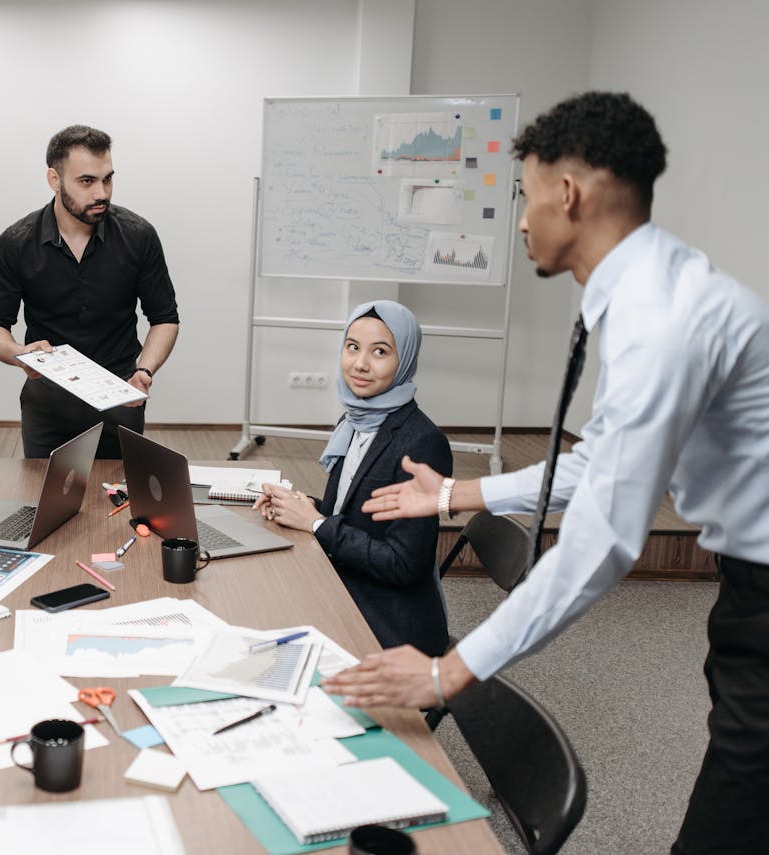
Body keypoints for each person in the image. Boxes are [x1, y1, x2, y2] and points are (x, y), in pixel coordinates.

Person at [324, 92, 769, 855]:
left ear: (569, 194)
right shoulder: (647, 293)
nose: (523, 222)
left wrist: (447, 672)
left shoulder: (660, 318)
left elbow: (602, 543)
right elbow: (600, 460)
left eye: (527, 197)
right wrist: (458, 493)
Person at [255, 301, 451, 655]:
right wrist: (298, 505)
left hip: (390, 619)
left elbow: (402, 564)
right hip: (348, 579)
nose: (360, 363)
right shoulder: (356, 421)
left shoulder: (421, 443)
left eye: (380, 352)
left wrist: (316, 524)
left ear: (404, 359)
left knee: (265, 622)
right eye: (352, 347)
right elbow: (345, 512)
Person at [0, 124, 180, 459]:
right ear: (54, 180)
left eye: (108, 179)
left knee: (117, 504)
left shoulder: (139, 235)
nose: (101, 192)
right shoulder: (16, 242)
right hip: (48, 405)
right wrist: (19, 353)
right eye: (87, 181)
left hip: (121, 398)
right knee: (45, 503)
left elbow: (165, 318)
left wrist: (144, 371)